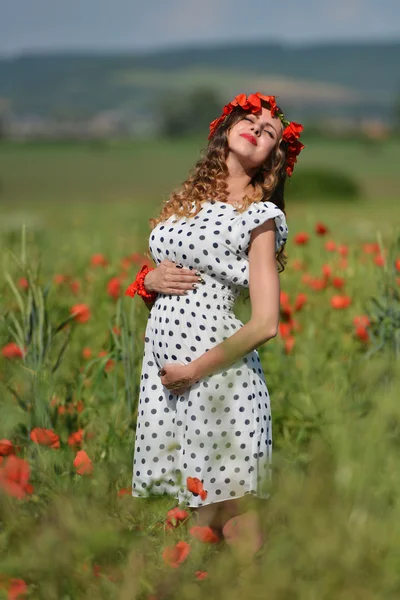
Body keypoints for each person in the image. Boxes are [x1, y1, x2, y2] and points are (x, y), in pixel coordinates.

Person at [127, 92, 304, 557]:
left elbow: (266, 322)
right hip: (170, 382)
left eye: (269, 132)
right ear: (225, 130)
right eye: (250, 119)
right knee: (195, 519)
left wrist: (194, 370)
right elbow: (171, 280)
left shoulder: (260, 218)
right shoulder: (187, 202)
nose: (258, 129)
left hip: (219, 381)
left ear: (273, 157)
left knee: (233, 520)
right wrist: (150, 280)